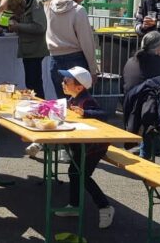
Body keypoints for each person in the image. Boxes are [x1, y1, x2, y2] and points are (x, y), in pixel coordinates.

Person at [54, 67, 115, 228]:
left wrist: (86, 112)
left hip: (94, 147)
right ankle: (74, 206)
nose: (63, 83)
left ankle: (105, 207)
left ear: (79, 87)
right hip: (81, 145)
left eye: (67, 81)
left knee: (81, 175)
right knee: (74, 173)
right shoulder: (73, 98)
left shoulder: (86, 100)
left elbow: (103, 114)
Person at [46, 0, 98, 99]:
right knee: (79, 102)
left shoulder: (49, 8)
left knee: (62, 102)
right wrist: (93, 69)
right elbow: (87, 42)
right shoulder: (78, 10)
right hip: (75, 59)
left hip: (55, 59)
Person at [8, 0, 49, 97]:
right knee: (31, 83)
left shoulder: (38, 1)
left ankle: (40, 109)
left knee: (34, 85)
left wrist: (17, 26)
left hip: (34, 50)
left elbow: (40, 27)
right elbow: (29, 19)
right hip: (30, 49)